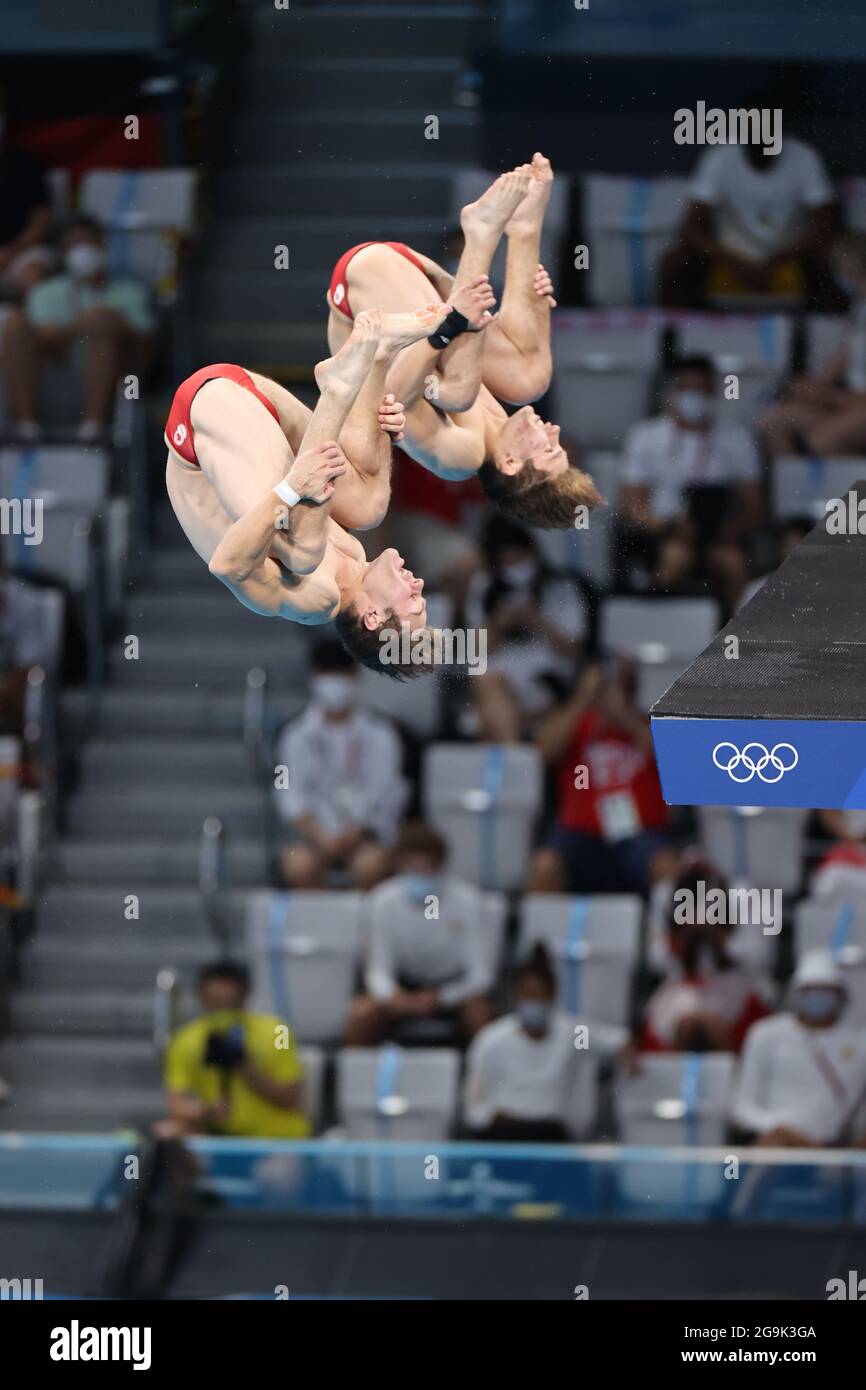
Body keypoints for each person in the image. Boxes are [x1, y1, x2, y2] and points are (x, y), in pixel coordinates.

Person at [165, 309, 446, 677]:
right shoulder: (354, 554)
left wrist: (290, 489)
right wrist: (377, 430)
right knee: (368, 505)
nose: (419, 585)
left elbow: (227, 566)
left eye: (413, 602)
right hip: (253, 403)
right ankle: (377, 360)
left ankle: (339, 391)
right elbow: (329, 471)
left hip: (201, 431)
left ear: (374, 617)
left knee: (302, 553)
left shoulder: (318, 602)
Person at [326, 157, 601, 529]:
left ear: (510, 464)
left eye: (549, 448)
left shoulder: (462, 459)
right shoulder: (496, 420)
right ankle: (523, 227)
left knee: (457, 392)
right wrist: (532, 304)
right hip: (416, 279)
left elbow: (390, 394)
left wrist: (452, 324)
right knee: (529, 379)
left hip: (362, 293)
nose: (553, 431)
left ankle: (482, 233)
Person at [617, 354, 761, 606]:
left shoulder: (736, 439)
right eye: (687, 389)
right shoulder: (644, 436)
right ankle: (661, 628)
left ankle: (733, 636)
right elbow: (632, 505)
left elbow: (753, 505)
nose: (695, 398)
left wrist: (728, 529)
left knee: (733, 563)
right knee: (676, 557)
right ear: (672, 392)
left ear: (714, 393)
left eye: (702, 390)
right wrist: (668, 527)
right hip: (664, 533)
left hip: (718, 535)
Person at [528, 658, 676, 895]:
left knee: (666, 868)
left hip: (640, 835)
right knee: (544, 867)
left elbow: (674, 758)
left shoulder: (647, 724)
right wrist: (581, 700)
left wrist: (624, 719)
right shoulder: (577, 725)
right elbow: (544, 750)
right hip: (579, 835)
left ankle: (662, 931)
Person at [658, 120, 841, 311]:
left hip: (790, 257)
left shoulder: (804, 156)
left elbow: (826, 226)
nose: (760, 140)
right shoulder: (720, 157)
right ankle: (676, 338)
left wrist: (778, 261)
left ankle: (837, 337)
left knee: (834, 261)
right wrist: (736, 263)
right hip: (729, 257)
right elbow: (691, 229)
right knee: (675, 263)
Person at [3, 214, 155, 441]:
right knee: (15, 325)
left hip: (118, 375)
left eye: (86, 242)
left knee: (103, 330)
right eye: (73, 245)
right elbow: (44, 333)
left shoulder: (128, 289)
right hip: (58, 366)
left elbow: (145, 341)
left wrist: (112, 323)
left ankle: (93, 427)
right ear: (64, 253)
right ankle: (26, 426)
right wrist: (81, 324)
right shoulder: (47, 291)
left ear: (102, 245)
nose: (81, 250)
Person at [345, 821, 494, 1044]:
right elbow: (378, 970)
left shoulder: (468, 901)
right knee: (360, 1015)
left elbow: (481, 974)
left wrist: (443, 996)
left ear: (441, 866)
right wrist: (395, 997)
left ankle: (476, 1077)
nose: (420, 873)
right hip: (402, 989)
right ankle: (357, 1075)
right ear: (398, 866)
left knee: (479, 1014)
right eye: (412, 866)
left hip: (452, 991)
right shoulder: (382, 902)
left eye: (427, 867)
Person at [274, 640, 406, 888]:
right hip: (315, 837)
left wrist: (354, 833)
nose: (334, 682)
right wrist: (320, 835)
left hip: (365, 838)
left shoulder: (381, 734)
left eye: (340, 672)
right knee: (297, 865)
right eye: (327, 672)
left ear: (355, 676)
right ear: (314, 676)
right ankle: (315, 924)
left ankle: (363, 925)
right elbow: (288, 792)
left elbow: (385, 790)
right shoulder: (295, 735)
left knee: (371, 865)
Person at [463, 943, 627, 1142]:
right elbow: (476, 1107)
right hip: (502, 1136)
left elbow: (618, 1041)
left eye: (540, 996)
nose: (534, 1003)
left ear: (552, 996)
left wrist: (629, 1054)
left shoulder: (572, 1034)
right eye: (528, 996)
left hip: (551, 1135)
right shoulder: (491, 1040)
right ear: (517, 996)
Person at [466, 517, 587, 742]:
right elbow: (476, 651)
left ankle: (514, 756)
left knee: (485, 724)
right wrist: (498, 624)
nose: (515, 567)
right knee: (487, 686)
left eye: (520, 558)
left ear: (533, 553)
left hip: (546, 680)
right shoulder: (483, 586)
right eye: (507, 562)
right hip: (499, 680)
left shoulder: (561, 587)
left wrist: (537, 620)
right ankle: (517, 755)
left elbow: (574, 651)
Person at [161, 961, 310, 1139]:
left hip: (276, 1139)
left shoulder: (280, 1031)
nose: (224, 1012)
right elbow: (176, 1103)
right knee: (167, 1132)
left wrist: (244, 1064)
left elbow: (292, 1098)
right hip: (218, 1139)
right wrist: (205, 1111)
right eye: (216, 1003)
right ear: (202, 997)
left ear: (245, 996)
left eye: (231, 1003)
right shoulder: (184, 1040)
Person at [732, 951, 866, 1147]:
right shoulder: (766, 1033)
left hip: (837, 1148)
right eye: (809, 991)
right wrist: (780, 1128)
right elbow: (741, 1106)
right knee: (773, 1146)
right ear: (796, 993)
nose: (817, 997)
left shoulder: (860, 1041)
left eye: (825, 990)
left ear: (840, 994)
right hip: (779, 1141)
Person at [639, 863, 770, 1054]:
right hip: (682, 985)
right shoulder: (666, 893)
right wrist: (686, 938)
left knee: (712, 1026)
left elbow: (758, 955)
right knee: (686, 1027)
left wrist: (717, 939)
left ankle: (727, 1074)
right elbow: (657, 959)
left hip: (732, 981)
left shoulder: (743, 892)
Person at [760, 232, 866, 458]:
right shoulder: (861, 307)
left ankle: (853, 493)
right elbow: (845, 354)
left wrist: (827, 396)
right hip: (852, 402)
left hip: (858, 404)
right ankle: (796, 491)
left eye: (841, 268)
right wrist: (815, 386)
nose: (838, 275)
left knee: (822, 440)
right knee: (773, 422)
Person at [0, 97, 53, 295]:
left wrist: (11, 251)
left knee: (33, 271)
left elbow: (41, 218)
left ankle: (33, 325)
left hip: (23, 251)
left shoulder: (25, 165)